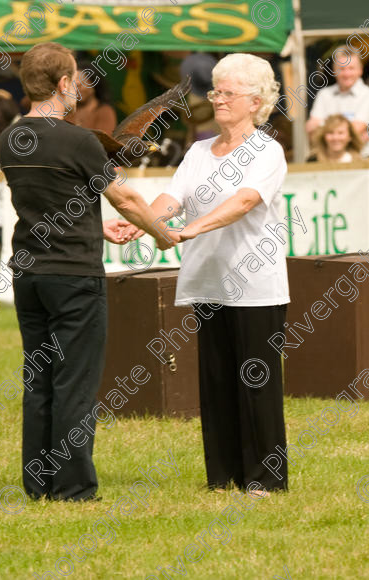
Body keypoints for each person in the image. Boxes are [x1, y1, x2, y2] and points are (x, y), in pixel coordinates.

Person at [0, 42, 178, 502]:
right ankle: (74, 488)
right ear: (62, 84)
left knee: (38, 378)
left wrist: (97, 228)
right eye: (75, 78)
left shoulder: (11, 139)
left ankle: (38, 484)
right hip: (75, 277)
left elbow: (48, 203)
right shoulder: (78, 140)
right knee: (74, 380)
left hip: (30, 273)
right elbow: (127, 198)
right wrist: (160, 232)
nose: (79, 86)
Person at [148, 53, 290, 494]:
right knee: (216, 382)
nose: (217, 99)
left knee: (256, 382)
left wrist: (190, 229)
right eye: (215, 91)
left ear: (256, 100)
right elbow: (171, 199)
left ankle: (266, 478)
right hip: (207, 283)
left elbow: (245, 200)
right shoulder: (196, 151)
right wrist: (140, 223)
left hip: (255, 286)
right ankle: (223, 475)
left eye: (227, 92)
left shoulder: (267, 151)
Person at [306, 48, 369, 157]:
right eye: (342, 69)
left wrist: (324, 127)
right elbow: (311, 128)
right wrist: (348, 129)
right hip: (326, 162)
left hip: (361, 161)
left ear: (360, 70)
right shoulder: (324, 94)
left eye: (351, 68)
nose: (346, 73)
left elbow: (357, 128)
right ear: (334, 70)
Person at [69, 59, 117, 135]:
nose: (77, 90)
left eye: (81, 85)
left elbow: (104, 140)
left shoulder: (104, 111)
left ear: (94, 85)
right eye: (74, 86)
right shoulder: (68, 111)